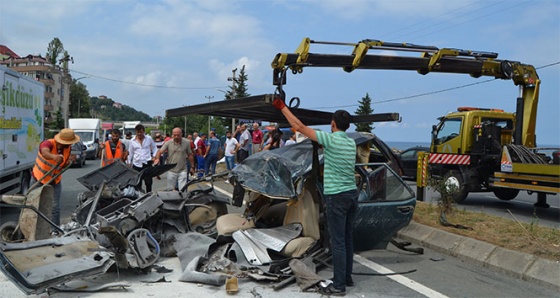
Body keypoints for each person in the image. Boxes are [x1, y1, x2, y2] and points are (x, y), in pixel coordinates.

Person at [273, 98, 357, 296]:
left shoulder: (330, 139)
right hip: (352, 195)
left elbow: (299, 126)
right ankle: (347, 278)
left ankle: (338, 286)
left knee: (337, 241)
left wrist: (282, 108)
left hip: (336, 196)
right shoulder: (350, 142)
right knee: (347, 238)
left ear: (333, 124)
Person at [31, 128, 80, 226]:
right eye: (70, 142)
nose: (71, 144)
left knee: (55, 207)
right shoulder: (48, 144)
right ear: (64, 141)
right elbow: (44, 152)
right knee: (33, 205)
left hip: (55, 181)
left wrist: (70, 161)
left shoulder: (67, 149)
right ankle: (31, 227)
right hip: (39, 179)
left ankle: (55, 230)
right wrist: (54, 157)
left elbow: (63, 165)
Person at [127, 124, 158, 193]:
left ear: (143, 131)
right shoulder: (132, 141)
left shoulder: (149, 138)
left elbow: (154, 148)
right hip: (137, 164)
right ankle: (139, 198)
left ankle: (149, 196)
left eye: (141, 132)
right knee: (138, 183)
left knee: (148, 182)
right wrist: (128, 162)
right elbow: (130, 152)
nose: (139, 134)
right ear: (136, 132)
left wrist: (154, 156)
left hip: (147, 163)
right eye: (138, 132)